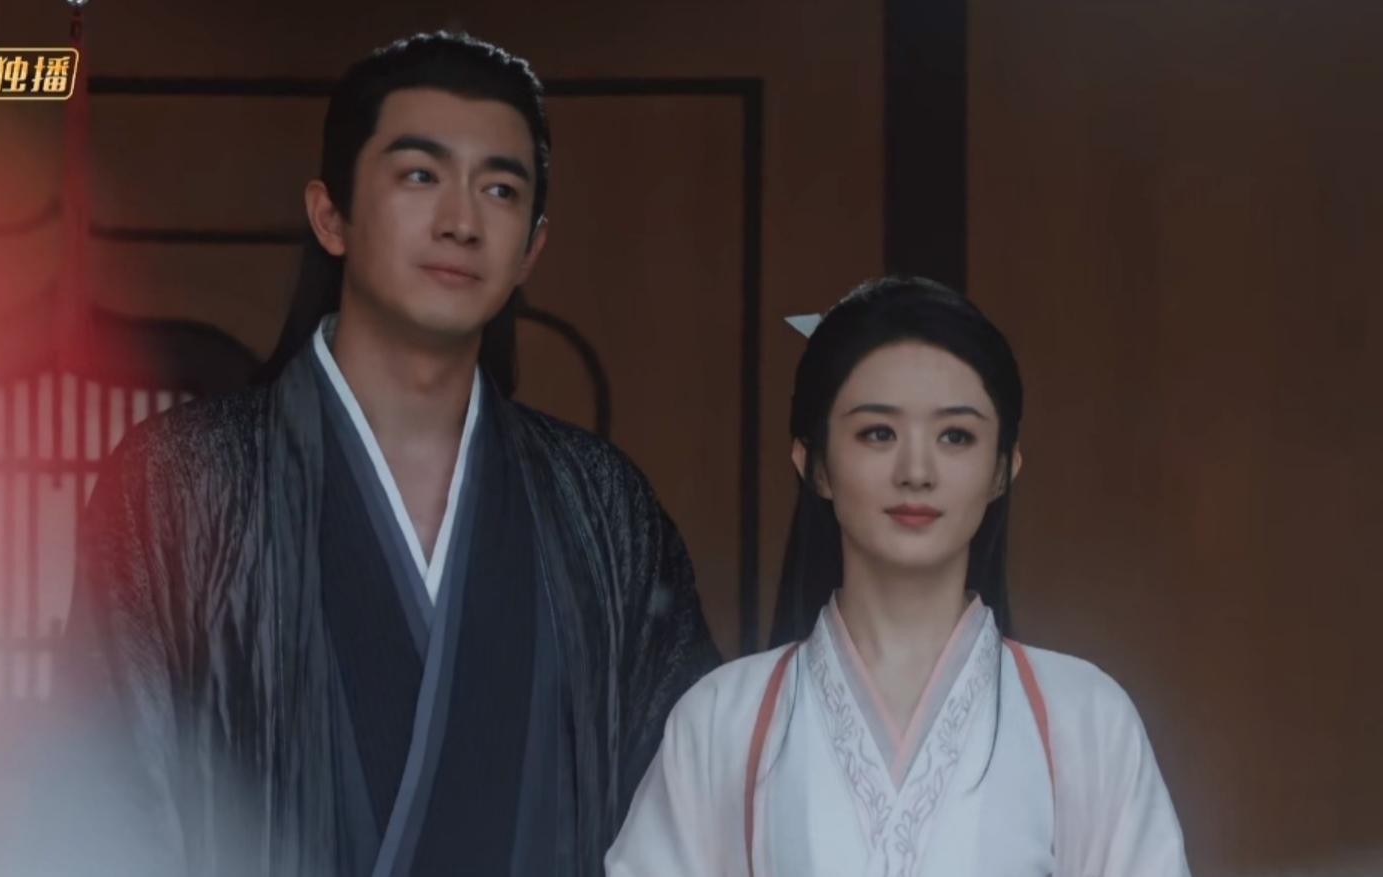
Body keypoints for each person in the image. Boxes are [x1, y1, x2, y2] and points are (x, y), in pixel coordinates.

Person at [62, 31, 719, 877]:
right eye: (418, 175)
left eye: (499, 189)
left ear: (531, 248)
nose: (460, 221)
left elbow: (684, 794)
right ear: (329, 215)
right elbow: (104, 798)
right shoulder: (179, 480)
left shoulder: (601, 505)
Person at [604, 277, 1188, 876]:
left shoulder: (1084, 718)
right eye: (878, 433)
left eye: (955, 436)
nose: (916, 470)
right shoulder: (723, 718)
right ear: (814, 463)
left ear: (1002, 469)